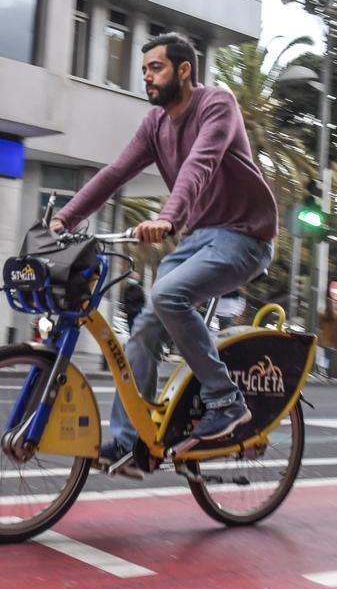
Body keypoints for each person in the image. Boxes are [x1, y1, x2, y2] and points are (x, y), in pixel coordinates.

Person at [48, 33, 277, 476]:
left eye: (156, 68)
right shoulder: (155, 123)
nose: (147, 77)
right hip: (196, 240)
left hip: (244, 237)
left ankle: (226, 401)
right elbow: (115, 173)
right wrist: (66, 219)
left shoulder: (216, 105)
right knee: (145, 329)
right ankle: (132, 445)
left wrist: (168, 218)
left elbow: (200, 164)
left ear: (184, 70)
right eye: (146, 70)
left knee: (168, 296)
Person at [317, 301, 337, 377]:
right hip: (333, 340)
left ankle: (324, 371)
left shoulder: (324, 316)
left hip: (324, 339)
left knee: (325, 356)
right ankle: (329, 373)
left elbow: (320, 324)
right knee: (330, 357)